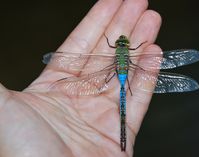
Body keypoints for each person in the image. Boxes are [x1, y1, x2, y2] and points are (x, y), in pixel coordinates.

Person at [0, 0, 161, 156]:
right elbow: (137, 55)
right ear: (126, 47)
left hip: (117, 72)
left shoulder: (115, 51)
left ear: (117, 46)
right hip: (125, 72)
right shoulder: (128, 52)